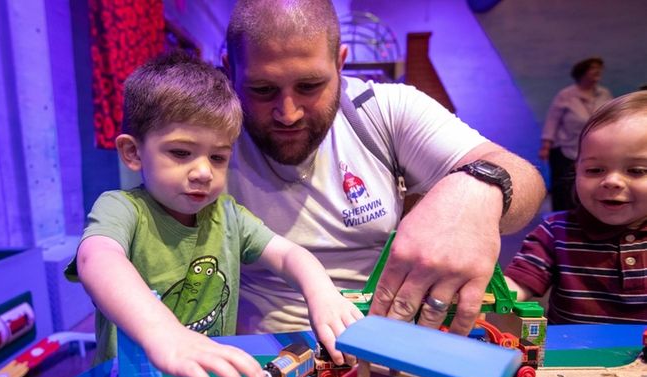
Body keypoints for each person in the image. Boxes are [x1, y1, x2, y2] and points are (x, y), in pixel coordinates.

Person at [223, 0, 546, 337]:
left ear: (340, 63)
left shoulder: (385, 110)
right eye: (262, 90)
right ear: (230, 70)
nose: (287, 113)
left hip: (381, 334)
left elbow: (527, 180)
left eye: (309, 86)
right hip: (257, 346)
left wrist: (476, 191)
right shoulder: (207, 131)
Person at [66, 51, 362, 377]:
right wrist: (163, 332)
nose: (204, 171)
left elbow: (287, 254)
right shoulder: (123, 208)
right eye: (180, 153)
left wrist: (322, 293)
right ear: (133, 153)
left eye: (218, 157)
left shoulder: (228, 216)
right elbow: (97, 260)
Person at [504, 91, 647, 324]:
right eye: (595, 170)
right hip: (570, 357)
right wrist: (481, 295)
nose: (611, 181)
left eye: (637, 171)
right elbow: (518, 283)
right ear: (576, 171)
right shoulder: (556, 231)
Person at [540, 57, 613, 211]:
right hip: (566, 148)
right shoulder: (566, 95)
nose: (598, 71)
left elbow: (612, 116)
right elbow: (553, 120)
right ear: (582, 72)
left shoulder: (604, 93)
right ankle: (560, 219)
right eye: (593, 68)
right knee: (563, 187)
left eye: (599, 69)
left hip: (595, 148)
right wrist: (546, 145)